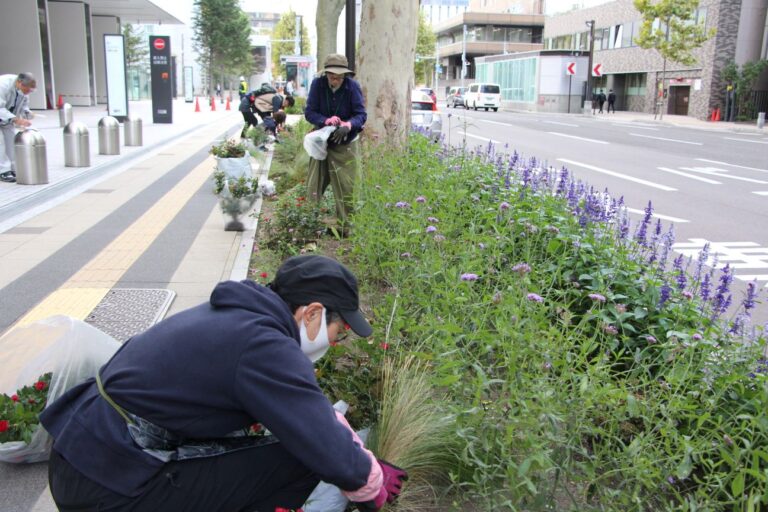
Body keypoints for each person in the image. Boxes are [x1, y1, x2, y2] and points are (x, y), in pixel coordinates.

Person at [41, 254, 408, 512]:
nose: (335, 342)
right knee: (301, 458)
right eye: (338, 332)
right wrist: (370, 479)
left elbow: (303, 412)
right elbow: (325, 449)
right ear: (311, 313)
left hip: (86, 458)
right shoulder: (263, 345)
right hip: (110, 486)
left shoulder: (238, 317)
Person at [304, 54, 367, 227]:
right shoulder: (318, 84)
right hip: (322, 142)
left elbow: (361, 115)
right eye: (332, 75)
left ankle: (345, 224)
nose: (336, 79)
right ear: (326, 73)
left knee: (346, 184)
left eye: (340, 76)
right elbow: (310, 112)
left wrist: (348, 124)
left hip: (346, 142)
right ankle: (309, 222)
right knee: (314, 183)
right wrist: (325, 121)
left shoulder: (352, 86)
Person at [0, 72, 36, 183]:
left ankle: (13, 168)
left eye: (30, 91)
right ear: (20, 83)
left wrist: (27, 113)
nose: (28, 93)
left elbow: (23, 103)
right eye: (27, 90)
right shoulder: (3, 85)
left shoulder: (23, 89)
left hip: (7, 118)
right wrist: (17, 119)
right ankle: (3, 171)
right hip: (4, 113)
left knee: (11, 140)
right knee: (0, 143)